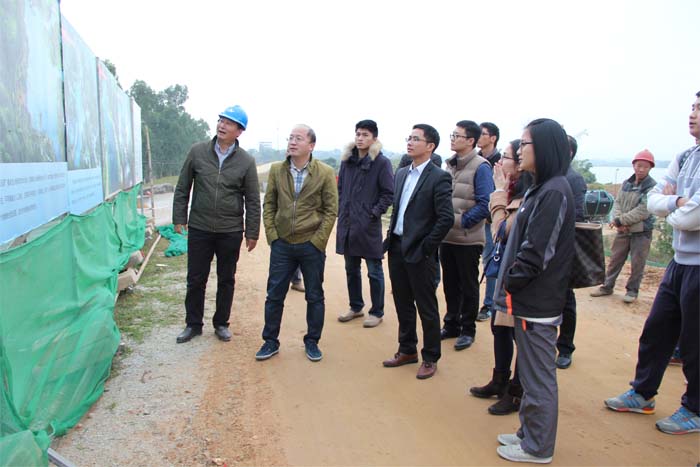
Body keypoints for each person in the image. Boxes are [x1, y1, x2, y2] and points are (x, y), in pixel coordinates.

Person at [604, 91, 699, 435]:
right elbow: (659, 202)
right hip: (679, 261)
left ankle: (695, 408)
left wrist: (672, 207)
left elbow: (690, 217)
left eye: (699, 109)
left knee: (694, 341)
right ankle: (642, 393)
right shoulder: (686, 156)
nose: (692, 114)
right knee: (657, 330)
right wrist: (680, 203)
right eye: (693, 107)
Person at [494, 119, 575, 464]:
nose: (519, 151)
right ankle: (528, 433)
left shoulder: (554, 191)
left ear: (543, 148)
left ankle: (538, 448)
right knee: (528, 373)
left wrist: (512, 280)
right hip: (527, 299)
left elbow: (537, 251)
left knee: (538, 377)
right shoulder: (541, 188)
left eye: (524, 144)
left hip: (536, 301)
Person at [172, 105, 260, 344]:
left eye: (229, 123)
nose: (222, 125)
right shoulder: (197, 152)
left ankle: (221, 323)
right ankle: (193, 324)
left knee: (226, 279)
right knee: (195, 278)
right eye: (221, 120)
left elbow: (252, 200)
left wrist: (252, 232)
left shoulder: (246, 161)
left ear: (239, 131)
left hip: (230, 230)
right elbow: (183, 186)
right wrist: (179, 217)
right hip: (200, 227)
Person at [255, 124, 338, 362]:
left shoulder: (324, 172)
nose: (292, 142)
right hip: (282, 244)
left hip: (311, 245)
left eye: (298, 138)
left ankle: (312, 341)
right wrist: (273, 236)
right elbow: (269, 205)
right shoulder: (277, 170)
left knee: (314, 296)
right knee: (274, 295)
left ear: (311, 145)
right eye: (290, 138)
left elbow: (331, 210)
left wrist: (317, 241)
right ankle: (270, 341)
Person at [382, 124, 453, 380]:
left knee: (426, 306)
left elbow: (445, 218)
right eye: (409, 138)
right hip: (397, 247)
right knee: (402, 302)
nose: (410, 142)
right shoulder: (401, 173)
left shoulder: (439, 177)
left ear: (430, 146)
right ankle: (407, 349)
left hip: (420, 252)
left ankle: (431, 356)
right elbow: (398, 211)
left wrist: (426, 247)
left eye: (416, 139)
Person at [470, 139, 533, 416]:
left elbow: (502, 231)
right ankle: (499, 380)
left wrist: (497, 193)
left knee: (518, 334)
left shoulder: (526, 196)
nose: (500, 162)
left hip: (519, 277)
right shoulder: (512, 191)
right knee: (500, 328)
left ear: (519, 165)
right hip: (506, 271)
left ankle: (516, 391)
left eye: (506, 157)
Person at [439, 120, 494, 351]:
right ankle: (451, 324)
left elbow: (485, 204)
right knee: (450, 284)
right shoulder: (450, 165)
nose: (452, 139)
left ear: (471, 140)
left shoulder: (481, 167)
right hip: (446, 237)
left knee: (468, 286)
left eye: (457, 136)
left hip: (468, 238)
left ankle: (467, 329)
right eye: (452, 135)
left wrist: (461, 222)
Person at [336, 120, 394, 328]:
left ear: (374, 138)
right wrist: (342, 209)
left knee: (374, 271)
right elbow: (340, 189)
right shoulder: (347, 161)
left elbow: (388, 193)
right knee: (351, 269)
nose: (360, 138)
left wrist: (373, 213)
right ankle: (356, 306)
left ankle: (376, 312)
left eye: (365, 135)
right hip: (348, 223)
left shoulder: (382, 163)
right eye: (358, 134)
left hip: (368, 225)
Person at [590, 149, 656, 303]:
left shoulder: (652, 187)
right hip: (623, 230)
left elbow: (643, 211)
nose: (641, 169)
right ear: (634, 165)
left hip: (641, 232)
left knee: (638, 263)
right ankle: (607, 286)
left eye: (645, 166)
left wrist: (621, 221)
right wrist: (618, 220)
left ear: (650, 168)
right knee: (615, 259)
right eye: (638, 165)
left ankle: (632, 291)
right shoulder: (626, 184)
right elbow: (618, 202)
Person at [554, 135, 587, 370]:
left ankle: (565, 347)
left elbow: (578, 215)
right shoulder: (545, 175)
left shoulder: (574, 179)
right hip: (543, 249)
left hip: (562, 250)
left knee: (565, 301)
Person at [476, 122, 501, 322]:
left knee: (490, 260)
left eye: (482, 134)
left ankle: (489, 304)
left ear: (492, 138)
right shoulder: (473, 159)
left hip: (491, 220)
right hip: (474, 218)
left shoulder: (500, 162)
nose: (478, 136)